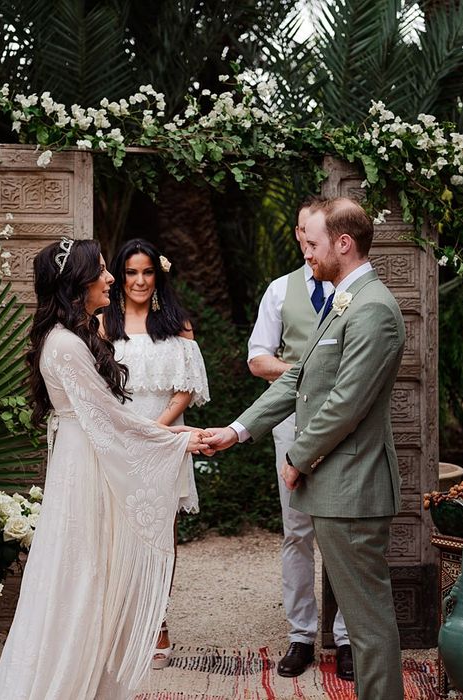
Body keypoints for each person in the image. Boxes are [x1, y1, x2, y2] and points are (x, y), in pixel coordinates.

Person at [0, 238, 210, 700]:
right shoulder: (66, 345)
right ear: (78, 282)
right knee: (81, 573)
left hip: (88, 458)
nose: (113, 279)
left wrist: (175, 435)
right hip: (86, 466)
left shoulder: (72, 337)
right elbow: (108, 420)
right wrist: (181, 437)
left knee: (92, 572)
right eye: (105, 271)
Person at [204, 197, 406, 699]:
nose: (306, 252)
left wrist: (296, 457)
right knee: (363, 623)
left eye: (312, 243)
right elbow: (299, 377)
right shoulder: (343, 300)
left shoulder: (374, 309)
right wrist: (237, 430)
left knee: (368, 626)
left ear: (343, 243)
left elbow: (345, 402)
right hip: (336, 486)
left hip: (353, 486)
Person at [247, 196, 350, 679]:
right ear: (298, 235)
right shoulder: (278, 291)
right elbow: (257, 359)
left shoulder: (352, 290)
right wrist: (305, 373)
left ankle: (347, 638)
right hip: (291, 421)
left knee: (343, 531)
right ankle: (302, 635)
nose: (312, 251)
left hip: (345, 423)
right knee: (298, 530)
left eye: (319, 242)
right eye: (307, 241)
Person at [102, 238, 209, 669]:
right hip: (118, 441)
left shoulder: (177, 323)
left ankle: (157, 622)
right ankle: (121, 624)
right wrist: (127, 432)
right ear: (120, 276)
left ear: (158, 275)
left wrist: (156, 430)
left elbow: (186, 387)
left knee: (161, 536)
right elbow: (97, 386)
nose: (140, 280)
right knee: (118, 532)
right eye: (131, 272)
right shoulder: (103, 325)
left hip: (164, 442)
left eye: (147, 272)